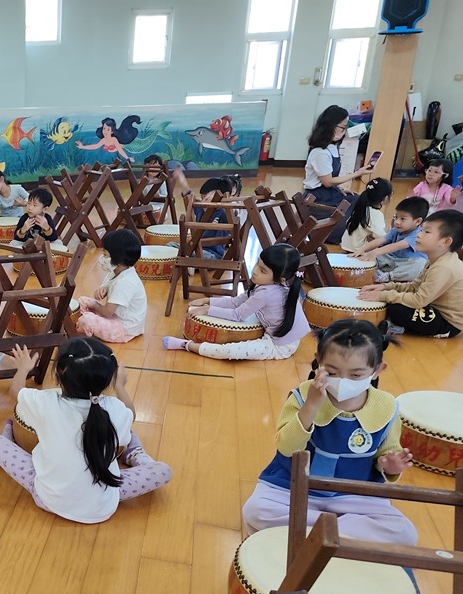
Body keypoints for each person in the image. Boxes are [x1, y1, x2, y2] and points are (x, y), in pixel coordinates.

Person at [242, 318, 417, 545]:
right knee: (256, 510)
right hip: (292, 487)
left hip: (355, 496)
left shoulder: (386, 406)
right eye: (332, 372)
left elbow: (387, 453)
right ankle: (333, 534)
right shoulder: (302, 395)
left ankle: (311, 531)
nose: (343, 381)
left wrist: (390, 466)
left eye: (356, 375)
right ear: (318, 361)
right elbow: (286, 447)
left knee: (404, 533)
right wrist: (311, 405)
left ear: (377, 370)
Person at [0, 338, 172, 524]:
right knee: (163, 471)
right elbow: (130, 414)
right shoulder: (116, 409)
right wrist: (120, 386)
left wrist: (23, 368)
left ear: (57, 377)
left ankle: (8, 440)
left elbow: (15, 391)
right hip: (105, 502)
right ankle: (136, 454)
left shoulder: (45, 402)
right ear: (108, 380)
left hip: (49, 498)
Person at [162, 243, 311, 360]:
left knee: (230, 351)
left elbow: (237, 315)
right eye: (258, 264)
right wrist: (208, 301)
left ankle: (188, 345)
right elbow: (236, 302)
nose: (255, 271)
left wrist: (207, 310)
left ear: (280, 278)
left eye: (263, 270)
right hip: (284, 336)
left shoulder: (266, 293)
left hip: (281, 346)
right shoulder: (272, 284)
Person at [359, 209, 463, 338]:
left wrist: (383, 295)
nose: (419, 235)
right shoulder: (435, 260)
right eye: (421, 230)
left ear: (445, 242)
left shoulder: (444, 267)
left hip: (446, 322)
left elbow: (418, 300)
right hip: (430, 307)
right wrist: (385, 287)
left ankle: (396, 327)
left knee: (395, 309)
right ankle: (396, 325)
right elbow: (414, 287)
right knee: (392, 302)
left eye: (427, 232)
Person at [304, 106, 375, 242]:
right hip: (318, 197)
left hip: (328, 192)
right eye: (342, 127)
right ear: (330, 126)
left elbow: (329, 181)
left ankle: (361, 233)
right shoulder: (320, 152)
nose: (344, 131)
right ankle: (340, 235)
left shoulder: (332, 148)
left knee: (358, 199)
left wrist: (340, 189)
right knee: (353, 205)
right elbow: (327, 182)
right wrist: (357, 173)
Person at [76, 228, 146, 343]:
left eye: (105, 255)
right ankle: (82, 323)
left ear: (118, 258)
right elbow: (109, 284)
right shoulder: (119, 271)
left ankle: (81, 326)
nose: (102, 258)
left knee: (86, 321)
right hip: (115, 317)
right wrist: (103, 289)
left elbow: (107, 312)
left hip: (124, 329)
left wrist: (94, 305)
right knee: (82, 301)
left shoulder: (125, 282)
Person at [349, 196, 429, 283]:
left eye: (402, 219)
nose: (397, 222)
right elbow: (381, 240)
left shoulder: (418, 234)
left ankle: (387, 276)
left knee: (420, 265)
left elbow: (397, 246)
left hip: (406, 264)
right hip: (390, 260)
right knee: (372, 255)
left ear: (417, 221)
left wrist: (376, 251)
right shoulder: (396, 230)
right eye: (396, 217)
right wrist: (362, 250)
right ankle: (368, 269)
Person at [172, 168, 241, 257]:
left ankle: (187, 260)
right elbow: (189, 195)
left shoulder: (223, 212)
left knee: (186, 254)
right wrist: (182, 180)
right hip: (195, 249)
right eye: (202, 197)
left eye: (207, 197)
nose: (204, 200)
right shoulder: (200, 208)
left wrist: (220, 199)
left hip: (212, 254)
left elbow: (234, 210)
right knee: (171, 246)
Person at [341, 177, 391, 252]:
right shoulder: (376, 215)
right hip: (358, 250)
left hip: (347, 246)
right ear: (385, 198)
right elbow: (382, 236)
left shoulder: (362, 207)